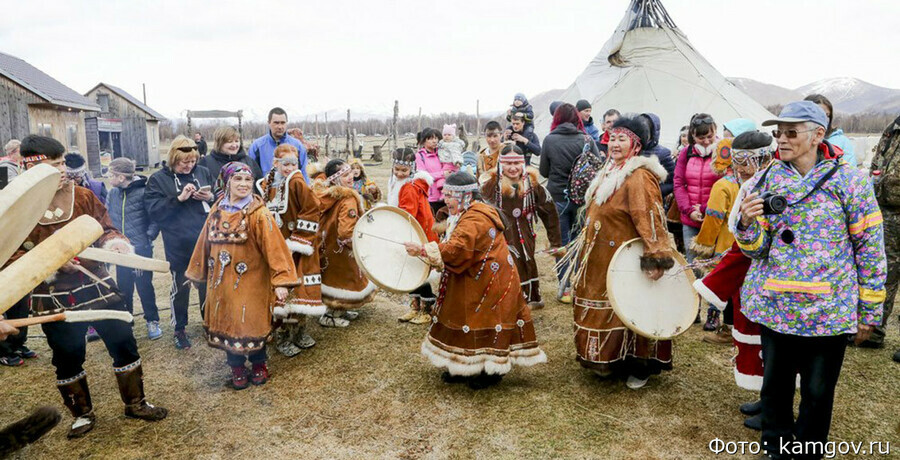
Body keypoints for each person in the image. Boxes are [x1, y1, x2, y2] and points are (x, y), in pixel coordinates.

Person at [734, 101, 885, 458]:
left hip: (827, 311)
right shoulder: (765, 179)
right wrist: (746, 224)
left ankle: (808, 451)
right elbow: (755, 250)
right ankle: (776, 447)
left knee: (818, 392)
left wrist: (869, 312)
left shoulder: (849, 182)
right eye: (778, 133)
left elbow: (870, 248)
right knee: (775, 388)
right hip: (777, 306)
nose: (781, 140)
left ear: (818, 135)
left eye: (791, 132)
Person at [8, 135, 167, 438]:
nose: (63, 170)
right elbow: (8, 254)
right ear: (33, 169)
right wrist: (48, 262)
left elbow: (106, 228)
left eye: (62, 162)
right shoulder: (16, 210)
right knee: (67, 355)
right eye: (55, 165)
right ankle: (82, 415)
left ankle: (136, 403)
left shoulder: (81, 195)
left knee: (123, 341)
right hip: (52, 294)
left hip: (98, 285)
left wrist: (115, 245)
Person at [404, 171, 547, 390]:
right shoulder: (467, 212)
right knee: (462, 316)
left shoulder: (476, 216)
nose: (446, 200)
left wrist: (423, 250)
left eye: (451, 195)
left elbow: (458, 248)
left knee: (484, 319)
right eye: (446, 194)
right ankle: (463, 364)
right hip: (473, 276)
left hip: (489, 280)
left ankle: (491, 370)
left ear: (466, 196)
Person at [569, 117, 674, 390]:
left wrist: (656, 257)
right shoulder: (611, 170)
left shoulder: (638, 176)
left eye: (622, 139)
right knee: (607, 306)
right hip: (600, 256)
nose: (615, 144)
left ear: (636, 145)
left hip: (624, 259)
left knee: (630, 309)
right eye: (612, 138)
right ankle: (607, 359)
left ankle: (639, 364)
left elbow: (650, 219)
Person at [186, 162, 298, 389]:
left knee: (252, 322)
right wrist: (196, 271)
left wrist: (281, 280)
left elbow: (275, 248)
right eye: (238, 180)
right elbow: (203, 243)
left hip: (252, 282)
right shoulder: (216, 211)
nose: (244, 185)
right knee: (227, 323)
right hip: (221, 284)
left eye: (248, 180)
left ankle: (259, 365)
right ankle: (236, 368)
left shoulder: (259, 214)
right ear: (227, 183)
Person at [693, 131, 776, 430]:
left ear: (764, 158)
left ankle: (775, 408)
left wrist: (717, 277)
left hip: (772, 281)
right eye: (735, 161)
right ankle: (768, 400)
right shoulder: (748, 184)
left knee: (772, 346)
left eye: (745, 162)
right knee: (761, 341)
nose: (738, 169)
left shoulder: (773, 187)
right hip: (752, 279)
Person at [146, 135, 216, 349]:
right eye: (183, 163)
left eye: (192, 161)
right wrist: (178, 199)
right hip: (178, 243)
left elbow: (217, 197)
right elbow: (154, 211)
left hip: (205, 239)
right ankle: (179, 329)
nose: (188, 166)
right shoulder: (158, 179)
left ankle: (209, 323)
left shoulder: (202, 172)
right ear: (173, 159)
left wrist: (209, 197)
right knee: (181, 287)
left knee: (207, 286)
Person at [257, 144, 326, 357]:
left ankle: (299, 332)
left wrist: (299, 240)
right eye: (285, 164)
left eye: (293, 164)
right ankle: (282, 336)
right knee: (282, 292)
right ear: (275, 164)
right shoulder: (268, 185)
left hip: (298, 249)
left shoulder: (296, 181)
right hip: (278, 248)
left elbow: (313, 208)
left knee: (300, 291)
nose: (289, 168)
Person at [482, 145, 562, 308]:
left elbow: (549, 213)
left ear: (523, 163)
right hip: (500, 236)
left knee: (527, 261)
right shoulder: (490, 187)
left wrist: (555, 242)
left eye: (517, 163)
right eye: (508, 163)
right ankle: (506, 300)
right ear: (500, 164)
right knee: (504, 263)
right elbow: (479, 212)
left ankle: (530, 298)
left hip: (525, 235)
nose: (513, 168)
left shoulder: (532, 186)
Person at [539, 103, 601, 303]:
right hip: (582, 199)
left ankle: (564, 287)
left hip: (557, 197)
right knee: (579, 241)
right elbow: (598, 165)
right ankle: (579, 281)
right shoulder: (586, 139)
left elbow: (543, 172)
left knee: (561, 243)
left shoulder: (549, 140)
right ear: (577, 118)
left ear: (556, 118)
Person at [313, 159, 377, 327]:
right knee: (343, 279)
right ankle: (330, 315)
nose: (350, 177)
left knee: (334, 278)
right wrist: (357, 243)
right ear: (335, 179)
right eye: (345, 175)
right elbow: (346, 231)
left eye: (350, 173)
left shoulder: (329, 194)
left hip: (329, 243)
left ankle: (341, 308)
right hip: (341, 249)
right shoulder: (348, 198)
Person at [106, 158, 162, 340]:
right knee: (123, 286)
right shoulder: (112, 193)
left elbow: (155, 218)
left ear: (121, 177)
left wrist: (148, 236)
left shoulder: (144, 192)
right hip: (120, 250)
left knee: (144, 285)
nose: (108, 177)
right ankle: (126, 320)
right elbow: (108, 217)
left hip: (140, 248)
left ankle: (152, 320)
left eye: (111, 174)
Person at [388, 148, 439, 324]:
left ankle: (426, 309)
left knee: (418, 271)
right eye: (397, 169)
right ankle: (415, 307)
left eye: (404, 170)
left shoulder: (409, 187)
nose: (400, 173)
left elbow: (407, 214)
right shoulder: (398, 183)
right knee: (411, 270)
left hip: (417, 233)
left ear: (412, 169)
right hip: (411, 231)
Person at [868, 115, 900, 361]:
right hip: (887, 211)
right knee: (886, 272)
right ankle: (875, 332)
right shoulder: (893, 127)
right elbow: (878, 160)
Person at [197, 126, 262, 195]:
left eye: (236, 141)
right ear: (219, 143)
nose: (234, 145)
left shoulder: (249, 161)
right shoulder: (206, 162)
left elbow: (259, 187)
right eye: (229, 142)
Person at [248, 107, 309, 178]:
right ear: (269, 123)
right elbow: (251, 174)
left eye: (283, 123)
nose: (280, 126)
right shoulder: (257, 146)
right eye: (276, 123)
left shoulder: (298, 146)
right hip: (265, 188)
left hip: (292, 188)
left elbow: (304, 173)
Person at [805, 94, 856, 167]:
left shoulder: (842, 141)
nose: (823, 118)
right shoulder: (797, 140)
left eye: (827, 115)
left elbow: (849, 172)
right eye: (818, 114)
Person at [638, 113, 676, 199]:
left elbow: (672, 181)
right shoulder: (631, 150)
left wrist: (654, 192)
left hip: (651, 201)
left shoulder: (663, 153)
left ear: (652, 132)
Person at [416, 128, 452, 215]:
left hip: (446, 194)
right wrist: (443, 174)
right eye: (431, 139)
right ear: (424, 141)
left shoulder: (442, 153)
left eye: (436, 138)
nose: (434, 141)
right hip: (431, 196)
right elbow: (423, 176)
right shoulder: (420, 156)